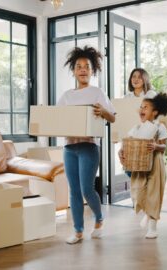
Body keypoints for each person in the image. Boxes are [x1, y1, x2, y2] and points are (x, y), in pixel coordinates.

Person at [57, 46, 115, 244]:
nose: (83, 70)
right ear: (73, 70)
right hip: (69, 148)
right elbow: (56, 119)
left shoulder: (97, 92)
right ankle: (78, 230)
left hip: (89, 147)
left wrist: (103, 112)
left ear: (93, 71)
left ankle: (99, 218)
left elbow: (112, 117)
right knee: (73, 190)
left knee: (87, 189)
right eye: (79, 66)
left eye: (87, 67)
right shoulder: (66, 96)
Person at [119, 92, 167, 239]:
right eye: (141, 107)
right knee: (138, 191)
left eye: (146, 107)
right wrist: (121, 151)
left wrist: (156, 146)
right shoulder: (137, 127)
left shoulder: (159, 126)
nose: (142, 109)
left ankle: (153, 226)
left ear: (154, 112)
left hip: (155, 163)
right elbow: (127, 142)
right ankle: (148, 214)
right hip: (139, 164)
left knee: (153, 194)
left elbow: (164, 147)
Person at [124, 68, 157, 178]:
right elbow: (123, 118)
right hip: (132, 137)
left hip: (146, 137)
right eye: (133, 76)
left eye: (139, 77)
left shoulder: (151, 94)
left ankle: (144, 193)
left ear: (145, 79)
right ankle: (138, 193)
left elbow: (157, 116)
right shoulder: (127, 97)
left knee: (145, 169)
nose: (136, 79)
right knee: (129, 168)